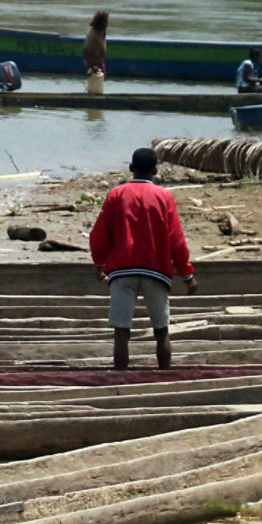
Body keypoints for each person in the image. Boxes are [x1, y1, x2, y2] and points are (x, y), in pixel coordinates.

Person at [88, 147, 196, 370]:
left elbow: (99, 235)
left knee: (121, 332)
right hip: (156, 270)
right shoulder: (164, 196)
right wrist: (187, 276)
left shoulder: (116, 194)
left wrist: (99, 265)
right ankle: (165, 378)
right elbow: (176, 240)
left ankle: (120, 379)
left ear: (130, 169)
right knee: (161, 330)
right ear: (155, 170)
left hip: (122, 270)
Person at [82, 10, 108, 96]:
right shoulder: (92, 34)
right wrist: (91, 66)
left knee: (100, 82)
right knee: (95, 82)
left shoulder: (102, 31)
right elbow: (86, 50)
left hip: (100, 61)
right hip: (93, 62)